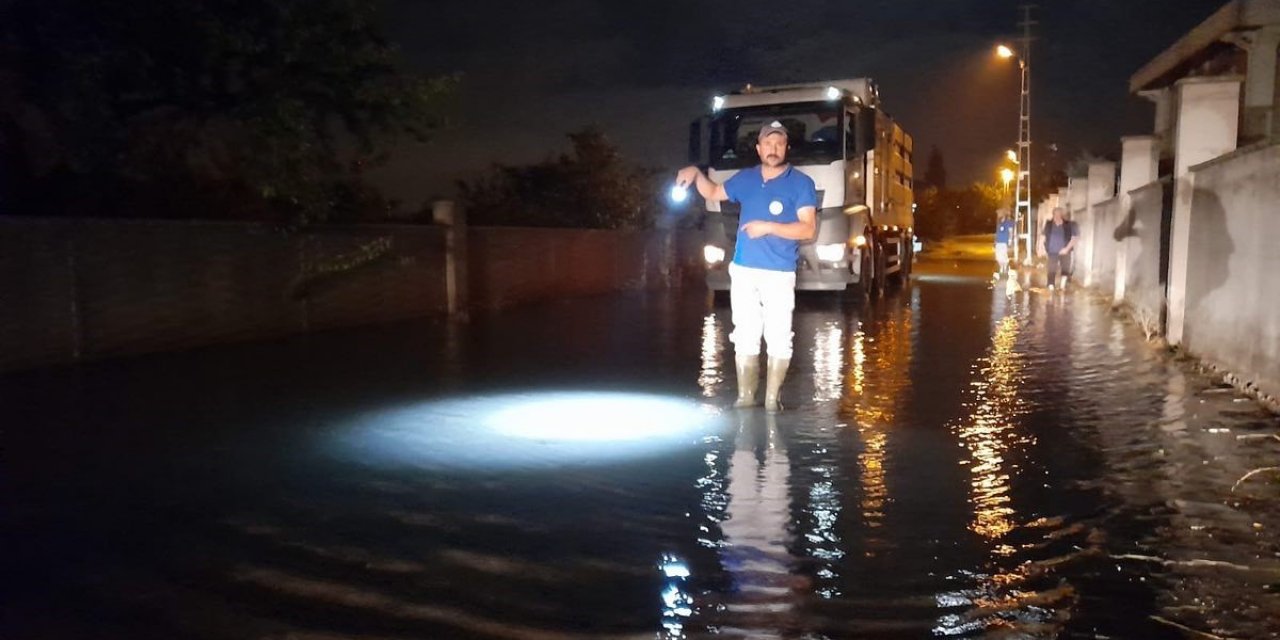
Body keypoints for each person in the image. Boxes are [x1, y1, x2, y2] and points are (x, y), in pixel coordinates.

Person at [675, 120, 817, 413]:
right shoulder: (746, 179)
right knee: (745, 333)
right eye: (768, 143)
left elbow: (807, 229)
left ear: (786, 147)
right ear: (758, 148)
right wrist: (696, 174)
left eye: (779, 143)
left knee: (778, 335)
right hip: (743, 269)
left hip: (779, 272)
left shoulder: (801, 183)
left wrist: (768, 227)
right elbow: (714, 193)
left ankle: (771, 400)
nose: (773, 149)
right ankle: (745, 397)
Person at [1038, 207, 1078, 290]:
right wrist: (1040, 248)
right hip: (1052, 251)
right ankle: (1051, 285)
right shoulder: (1049, 224)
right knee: (1051, 268)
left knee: (1065, 268)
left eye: (1059, 214)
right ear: (1053, 215)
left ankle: (1062, 286)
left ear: (1062, 215)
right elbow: (1043, 236)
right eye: (1055, 214)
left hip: (1065, 251)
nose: (1057, 216)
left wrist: (1067, 249)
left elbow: (1074, 238)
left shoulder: (1068, 225)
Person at [993, 208, 1015, 278]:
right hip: (999, 242)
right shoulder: (999, 223)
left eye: (999, 214)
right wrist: (995, 242)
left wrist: (1010, 241)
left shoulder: (1008, 222)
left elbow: (1011, 231)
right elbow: (997, 233)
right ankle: (1003, 267)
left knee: (1003, 256)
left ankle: (1004, 268)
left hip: (1003, 242)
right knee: (998, 256)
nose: (998, 215)